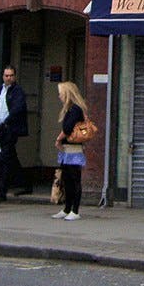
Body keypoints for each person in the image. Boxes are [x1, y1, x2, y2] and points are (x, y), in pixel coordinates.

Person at [0, 65, 30, 203]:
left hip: (10, 129)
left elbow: (17, 109)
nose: (9, 78)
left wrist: (7, 121)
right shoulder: (0, 90)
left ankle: (0, 192)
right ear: (3, 76)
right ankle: (24, 183)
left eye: (11, 75)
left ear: (15, 76)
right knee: (10, 158)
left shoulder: (17, 91)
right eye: (6, 75)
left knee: (3, 158)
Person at [52, 81, 88, 220]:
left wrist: (58, 139)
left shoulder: (75, 110)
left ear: (67, 94)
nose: (59, 96)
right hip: (67, 150)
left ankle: (75, 210)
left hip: (74, 150)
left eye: (61, 93)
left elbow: (67, 129)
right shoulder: (70, 109)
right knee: (66, 179)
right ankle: (67, 208)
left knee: (74, 179)